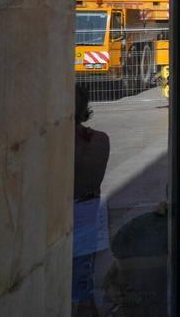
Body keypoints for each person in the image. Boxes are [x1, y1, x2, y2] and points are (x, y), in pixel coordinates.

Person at [73, 83, 110, 317]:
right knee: (85, 285)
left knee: (80, 290)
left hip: (77, 216)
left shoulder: (87, 143)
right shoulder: (99, 140)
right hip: (90, 214)